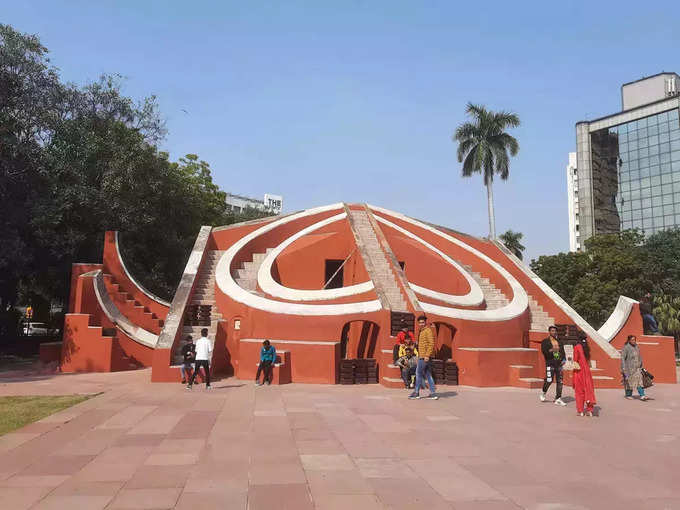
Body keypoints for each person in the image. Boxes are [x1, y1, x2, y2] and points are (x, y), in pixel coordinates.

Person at [408, 315, 438, 400]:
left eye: (423, 322)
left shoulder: (428, 330)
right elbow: (424, 343)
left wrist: (427, 356)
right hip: (423, 356)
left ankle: (416, 392)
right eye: (420, 322)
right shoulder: (422, 331)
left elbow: (431, 344)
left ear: (425, 322)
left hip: (424, 356)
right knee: (428, 375)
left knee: (418, 373)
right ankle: (433, 393)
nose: (421, 324)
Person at [540, 326, 567, 406]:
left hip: (559, 364)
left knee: (560, 381)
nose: (554, 332)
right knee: (549, 380)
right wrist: (552, 350)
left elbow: (563, 351)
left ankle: (558, 398)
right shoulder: (545, 341)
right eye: (552, 331)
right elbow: (544, 352)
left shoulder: (559, 341)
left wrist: (564, 360)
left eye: (555, 331)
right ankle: (543, 392)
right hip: (550, 364)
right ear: (549, 332)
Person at [572, 333, 596, 416]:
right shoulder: (587, 348)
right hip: (587, 372)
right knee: (588, 389)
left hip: (579, 371)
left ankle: (580, 410)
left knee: (579, 391)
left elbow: (575, 360)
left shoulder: (577, 347)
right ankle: (590, 410)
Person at [621, 335, 649, 401]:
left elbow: (639, 356)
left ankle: (642, 395)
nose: (634, 341)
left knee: (639, 381)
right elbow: (622, 358)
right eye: (632, 340)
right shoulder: (626, 348)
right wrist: (623, 368)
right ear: (629, 340)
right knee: (629, 382)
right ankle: (628, 395)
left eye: (634, 340)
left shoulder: (636, 347)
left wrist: (641, 365)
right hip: (629, 369)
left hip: (637, 368)